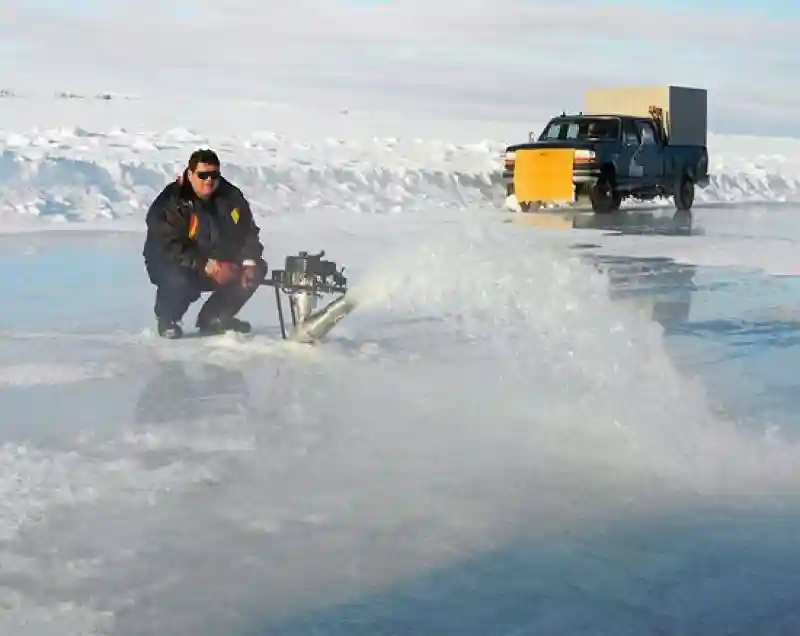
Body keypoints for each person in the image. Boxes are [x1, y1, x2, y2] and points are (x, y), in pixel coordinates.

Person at [142, 148, 267, 339]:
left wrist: (249, 261)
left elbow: (248, 232)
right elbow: (167, 246)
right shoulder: (171, 202)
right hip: (173, 261)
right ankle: (169, 318)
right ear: (190, 174)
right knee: (179, 278)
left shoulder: (231, 197)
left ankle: (215, 317)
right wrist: (207, 265)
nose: (209, 180)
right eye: (203, 175)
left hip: (217, 260)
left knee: (254, 269)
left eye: (214, 174)